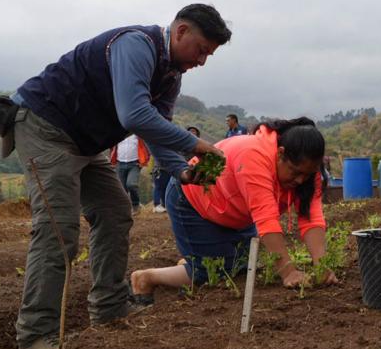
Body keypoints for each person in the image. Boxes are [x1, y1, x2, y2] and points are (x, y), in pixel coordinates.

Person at [0, 4, 231, 349]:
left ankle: (109, 308)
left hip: (84, 142)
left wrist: (181, 169)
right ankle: (36, 337)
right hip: (45, 127)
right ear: (180, 32)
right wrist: (194, 143)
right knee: (59, 229)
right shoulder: (136, 45)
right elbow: (133, 114)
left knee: (116, 211)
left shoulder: (170, 75)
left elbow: (156, 129)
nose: (202, 61)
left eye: (209, 55)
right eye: (200, 50)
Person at [130, 118, 339, 300]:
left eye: (307, 174)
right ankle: (147, 277)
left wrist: (321, 266)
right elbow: (266, 220)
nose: (300, 179)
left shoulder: (310, 175)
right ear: (280, 154)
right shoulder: (254, 157)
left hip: (232, 211)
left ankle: (194, 258)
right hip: (192, 199)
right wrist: (289, 272)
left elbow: (311, 218)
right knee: (214, 273)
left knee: (242, 266)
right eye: (295, 172)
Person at [110, 134, 150, 214]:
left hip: (134, 164)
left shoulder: (137, 133)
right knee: (122, 188)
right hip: (120, 163)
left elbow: (147, 148)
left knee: (131, 185)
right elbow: (112, 148)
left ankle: (136, 204)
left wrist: (144, 161)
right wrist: (113, 161)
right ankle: (124, 208)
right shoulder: (117, 133)